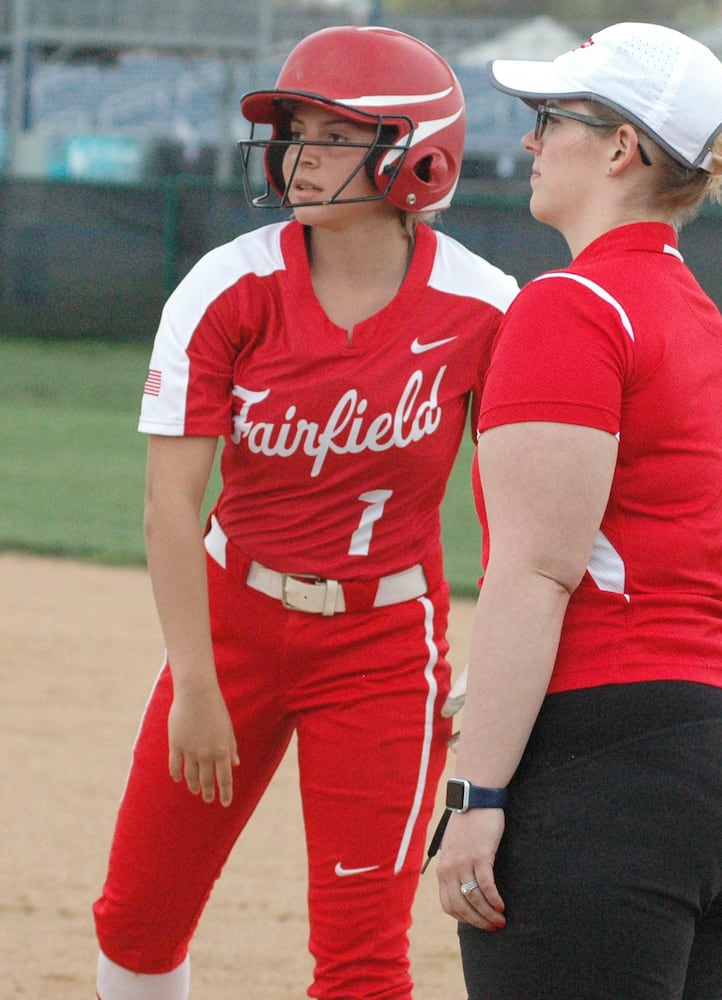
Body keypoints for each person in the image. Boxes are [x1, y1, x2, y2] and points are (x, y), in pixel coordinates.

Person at [92, 25, 518, 1000]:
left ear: (416, 159)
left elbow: (516, 513)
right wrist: (196, 685)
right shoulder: (228, 287)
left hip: (381, 643)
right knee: (136, 917)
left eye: (334, 132)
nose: (298, 152)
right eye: (295, 128)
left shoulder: (486, 307)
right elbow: (169, 506)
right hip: (231, 623)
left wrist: (491, 661)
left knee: (363, 960)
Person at [432, 21, 722, 999]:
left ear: (619, 147)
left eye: (548, 118)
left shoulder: (569, 306)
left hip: (609, 763)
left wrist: (475, 794)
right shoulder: (699, 320)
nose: (527, 142)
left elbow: (536, 571)